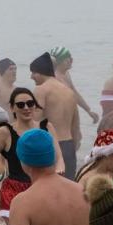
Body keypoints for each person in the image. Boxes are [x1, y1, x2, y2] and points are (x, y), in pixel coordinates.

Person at [0, 88, 63, 221]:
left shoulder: (47, 127)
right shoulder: (5, 132)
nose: (26, 108)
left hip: (44, 187)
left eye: (30, 103)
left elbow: (58, 156)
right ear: (12, 108)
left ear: (35, 106)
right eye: (20, 105)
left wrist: (59, 169)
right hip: (14, 191)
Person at [31, 52, 78, 180]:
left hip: (51, 146)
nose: (31, 77)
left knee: (48, 190)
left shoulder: (41, 90)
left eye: (33, 73)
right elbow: (76, 128)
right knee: (68, 188)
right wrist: (74, 147)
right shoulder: (69, 92)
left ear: (40, 72)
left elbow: (34, 123)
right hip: (69, 146)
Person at [50, 47, 100, 124]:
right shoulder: (55, 79)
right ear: (60, 62)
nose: (71, 61)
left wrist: (88, 110)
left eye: (71, 58)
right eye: (68, 59)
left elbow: (74, 93)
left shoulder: (66, 74)